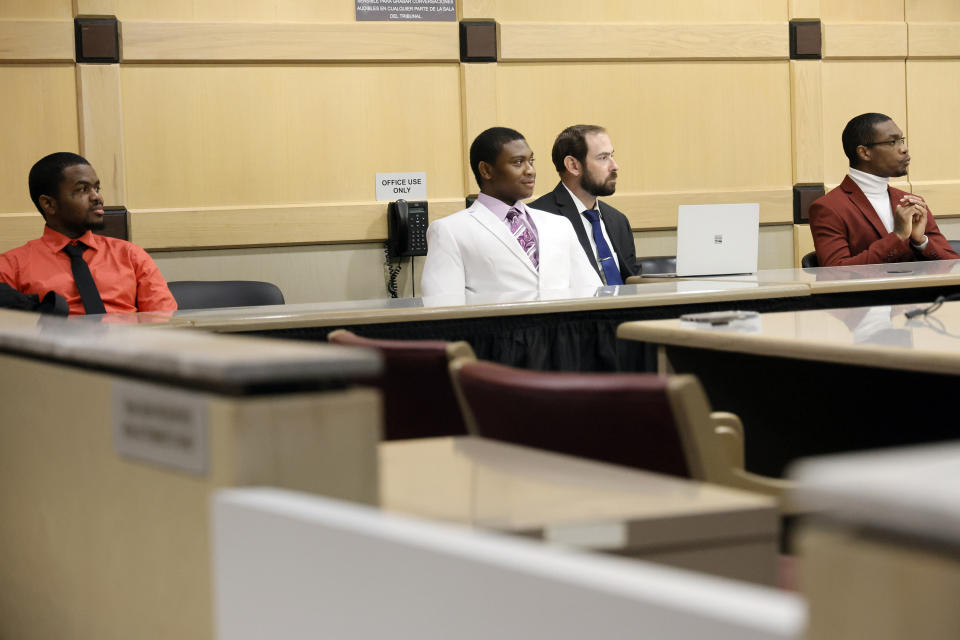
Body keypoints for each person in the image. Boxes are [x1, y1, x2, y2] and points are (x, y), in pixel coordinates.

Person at [420, 127, 601, 296]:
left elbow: (590, 291)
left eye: (531, 161)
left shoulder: (559, 224)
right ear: (486, 170)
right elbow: (443, 308)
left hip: (563, 329)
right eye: (518, 162)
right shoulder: (450, 231)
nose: (530, 171)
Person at [0, 152, 177, 315]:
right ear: (49, 204)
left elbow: (165, 322)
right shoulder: (11, 266)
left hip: (128, 346)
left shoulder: (131, 256)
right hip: (55, 347)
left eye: (97, 189)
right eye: (82, 190)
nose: (97, 198)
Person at [810, 113, 958, 266]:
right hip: (871, 291)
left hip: (922, 290)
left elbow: (953, 264)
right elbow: (835, 273)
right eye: (893, 142)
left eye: (902, 140)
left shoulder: (912, 202)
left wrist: (921, 241)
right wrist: (898, 236)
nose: (904, 149)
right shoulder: (828, 208)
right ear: (864, 152)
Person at [529, 125, 637, 283]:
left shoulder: (618, 220)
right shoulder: (538, 219)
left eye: (612, 156)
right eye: (603, 157)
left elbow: (633, 280)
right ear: (573, 165)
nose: (615, 166)